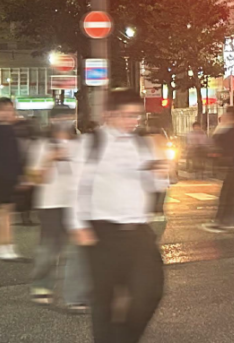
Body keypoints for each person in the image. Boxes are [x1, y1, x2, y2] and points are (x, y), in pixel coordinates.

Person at [69, 90, 170, 343]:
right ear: (109, 114)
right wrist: (78, 225)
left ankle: (123, 338)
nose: (132, 121)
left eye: (136, 116)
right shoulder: (90, 144)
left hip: (138, 232)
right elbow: (76, 187)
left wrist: (161, 170)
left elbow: (156, 185)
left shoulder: (142, 144)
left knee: (150, 291)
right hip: (102, 232)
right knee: (104, 299)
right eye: (126, 115)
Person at [30, 105, 88, 311]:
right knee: (49, 249)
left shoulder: (81, 144)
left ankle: (76, 295)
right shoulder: (43, 145)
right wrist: (50, 159)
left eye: (69, 117)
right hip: (51, 204)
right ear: (52, 120)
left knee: (79, 249)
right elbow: (34, 178)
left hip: (77, 204)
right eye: (60, 118)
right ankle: (42, 285)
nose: (65, 121)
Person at [0, 98, 24, 259]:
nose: (11, 113)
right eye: (7, 110)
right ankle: (4, 245)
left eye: (11, 110)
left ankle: (0, 245)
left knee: (4, 211)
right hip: (2, 175)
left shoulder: (5, 128)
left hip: (6, 174)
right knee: (4, 211)